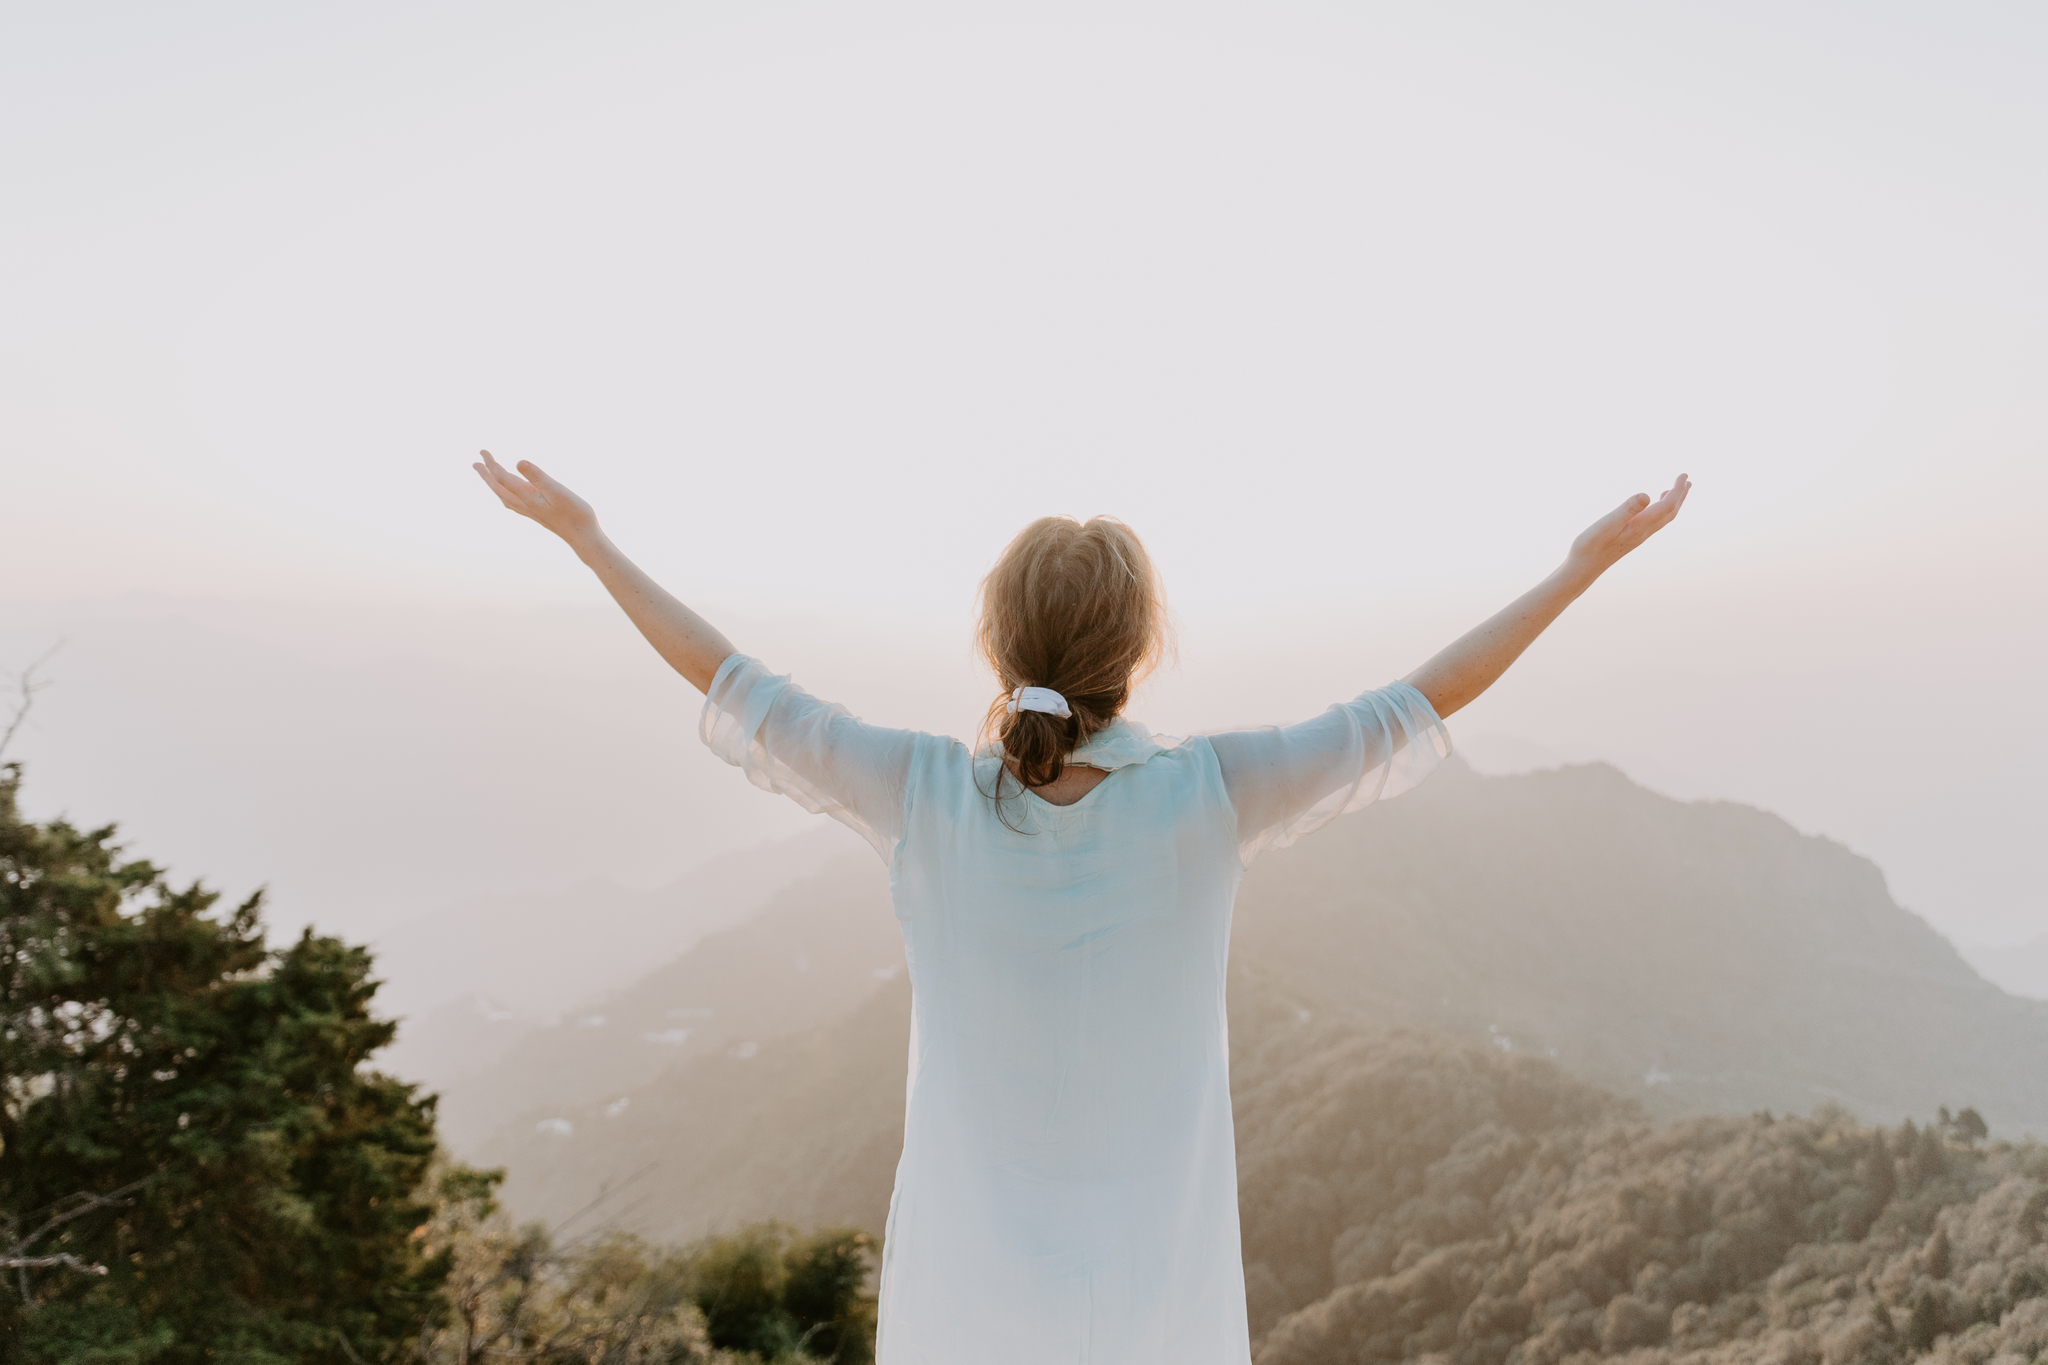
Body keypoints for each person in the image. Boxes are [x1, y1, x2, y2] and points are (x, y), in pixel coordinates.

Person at [472, 451, 1690, 1364]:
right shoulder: (1210, 794)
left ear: (998, 645)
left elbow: (731, 680)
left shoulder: (919, 796)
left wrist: (588, 539)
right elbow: (1418, 702)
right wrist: (1576, 569)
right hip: (1154, 1308)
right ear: (1138, 651)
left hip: (963, 1307)